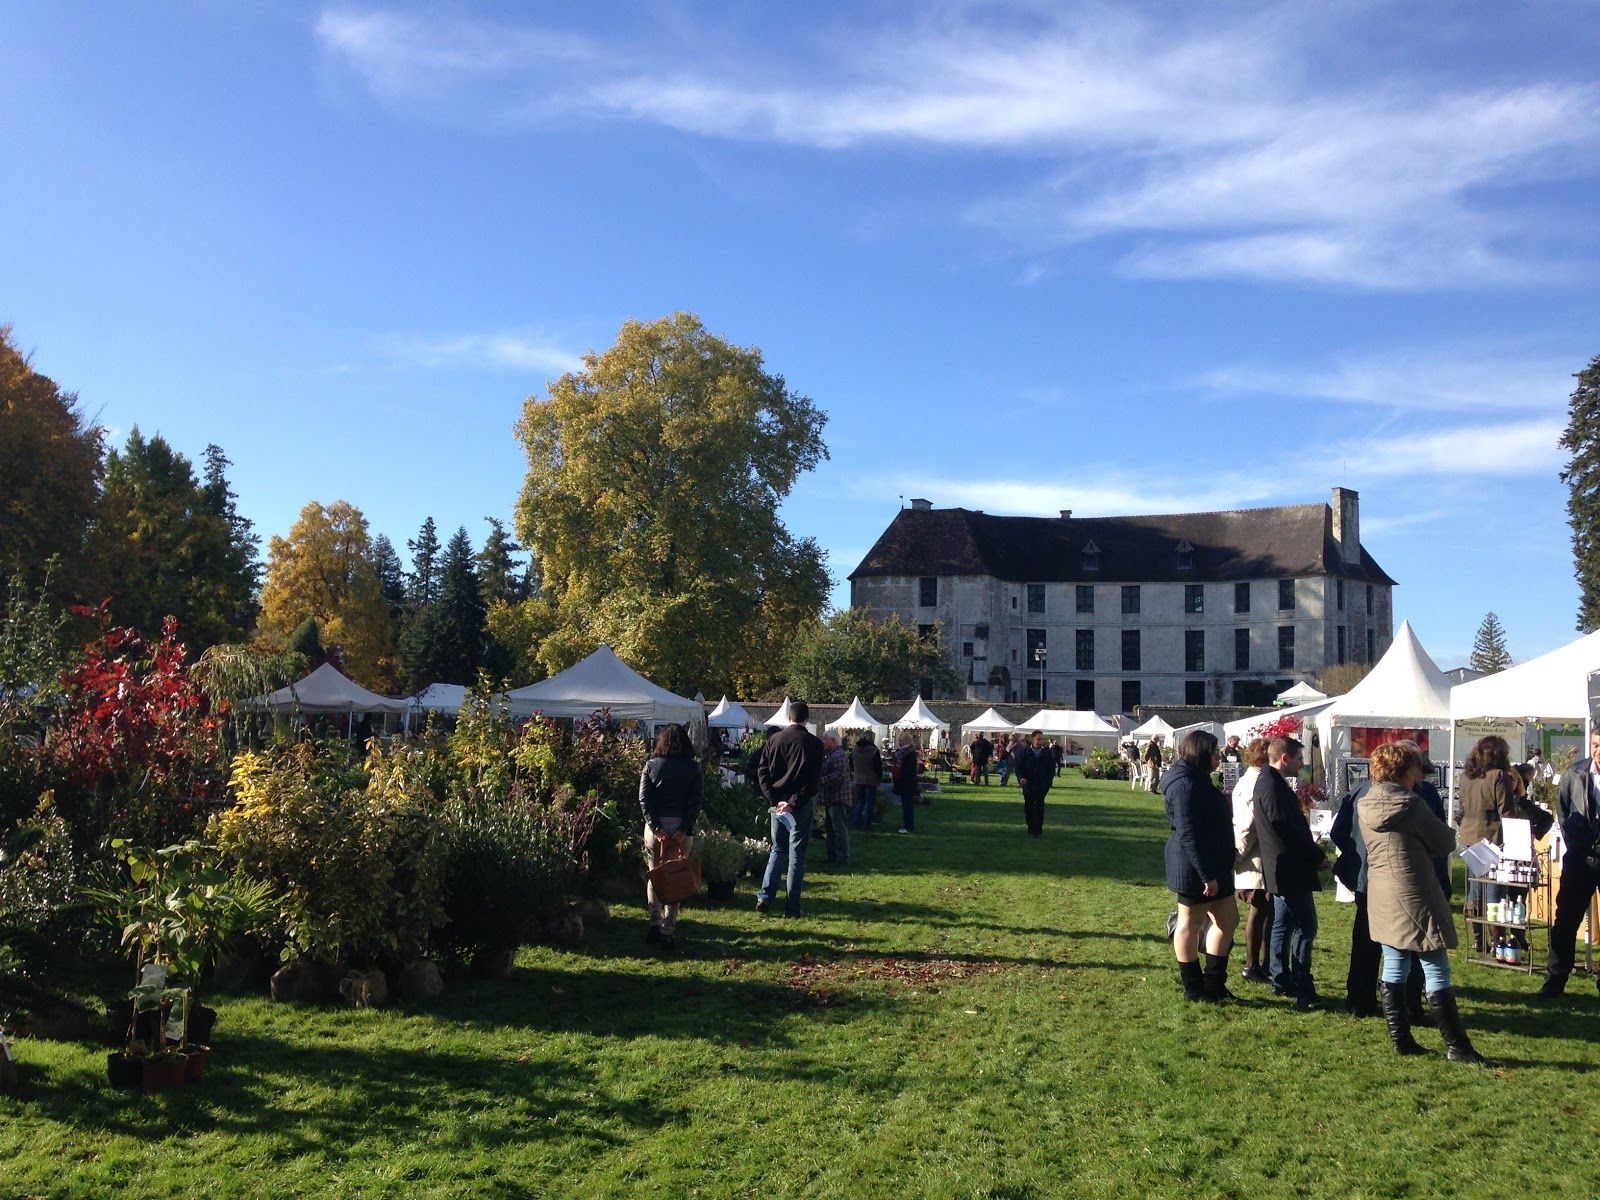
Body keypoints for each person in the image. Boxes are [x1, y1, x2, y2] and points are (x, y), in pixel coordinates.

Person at [1360, 742, 1492, 1063]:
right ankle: (1457, 1046)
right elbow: (1446, 841)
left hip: (1382, 891)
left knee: (1394, 963)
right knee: (1436, 967)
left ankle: (1401, 1039)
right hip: (1414, 890)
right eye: (1416, 766)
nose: (1421, 772)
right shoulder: (1411, 804)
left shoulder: (1365, 802)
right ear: (1405, 770)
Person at [1253, 736, 1328, 1010]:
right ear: (1285, 758)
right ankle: (1302, 986)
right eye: (1299, 759)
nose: (1302, 764)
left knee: (1282, 925)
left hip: (1281, 868)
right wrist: (1317, 856)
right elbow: (1287, 830)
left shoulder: (1269, 782)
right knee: (1306, 927)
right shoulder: (1272, 786)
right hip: (1289, 868)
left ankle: (1280, 978)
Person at [1163, 729, 1238, 1002]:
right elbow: (1188, 832)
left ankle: (1214, 985)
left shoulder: (1198, 778)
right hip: (1196, 868)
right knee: (1189, 925)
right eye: (1215, 751)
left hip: (1214, 864)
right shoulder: (1185, 785)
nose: (1220, 756)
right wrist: (1206, 875)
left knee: (1228, 920)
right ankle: (1194, 988)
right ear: (1202, 754)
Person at [1539, 730, 1600, 998]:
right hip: (1580, 858)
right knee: (1565, 921)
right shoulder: (1575, 774)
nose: (1598, 751)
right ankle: (1556, 980)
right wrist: (1575, 841)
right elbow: (1563, 811)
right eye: (1595, 745)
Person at [755, 701, 824, 917]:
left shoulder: (775, 740)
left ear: (789, 718)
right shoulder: (813, 743)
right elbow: (813, 781)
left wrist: (774, 799)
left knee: (777, 849)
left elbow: (762, 772)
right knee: (797, 855)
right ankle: (792, 907)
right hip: (798, 804)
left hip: (779, 802)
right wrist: (793, 802)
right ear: (807, 718)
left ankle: (765, 896)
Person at [639, 723, 703, 950]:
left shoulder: (651, 765)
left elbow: (644, 799)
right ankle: (668, 927)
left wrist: (655, 827)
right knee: (677, 876)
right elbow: (695, 802)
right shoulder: (694, 768)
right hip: (681, 828)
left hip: (656, 829)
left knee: (654, 873)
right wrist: (683, 828)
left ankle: (654, 922)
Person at [1231, 738, 1272, 985]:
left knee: (1266, 912)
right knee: (1259, 911)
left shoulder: (1254, 780)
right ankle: (1252, 964)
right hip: (1254, 859)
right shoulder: (1254, 783)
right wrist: (1237, 857)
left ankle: (1263, 964)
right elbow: (1248, 826)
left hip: (1257, 857)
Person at [819, 732, 851, 865]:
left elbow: (838, 775)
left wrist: (821, 781)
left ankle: (842, 857)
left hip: (838, 797)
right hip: (831, 797)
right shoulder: (831, 755)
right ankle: (832, 855)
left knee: (838, 829)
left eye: (825, 739)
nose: (823, 741)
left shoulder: (838, 755)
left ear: (833, 740)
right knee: (831, 829)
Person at [1016, 731, 1056, 837]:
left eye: (1041, 739)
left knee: (1039, 807)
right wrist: (1021, 779)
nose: (1040, 741)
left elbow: (1051, 770)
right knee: (1029, 807)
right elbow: (1018, 767)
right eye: (1038, 739)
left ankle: (1038, 830)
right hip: (1028, 784)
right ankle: (1030, 827)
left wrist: (1047, 783)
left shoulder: (1047, 753)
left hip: (1041, 784)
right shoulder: (1024, 751)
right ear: (1033, 739)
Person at [850, 731, 883, 831]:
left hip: (858, 779)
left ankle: (856, 821)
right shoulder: (873, 750)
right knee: (869, 803)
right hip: (871, 779)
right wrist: (879, 776)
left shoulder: (855, 750)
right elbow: (878, 767)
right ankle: (867, 825)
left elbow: (851, 764)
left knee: (859, 801)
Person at [891, 732, 920, 833]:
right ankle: (907, 825)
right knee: (905, 804)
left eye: (901, 740)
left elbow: (909, 769)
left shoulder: (909, 753)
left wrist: (900, 772)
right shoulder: (903, 752)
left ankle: (909, 826)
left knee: (908, 805)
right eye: (899, 740)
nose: (899, 742)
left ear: (906, 741)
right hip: (904, 782)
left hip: (907, 782)